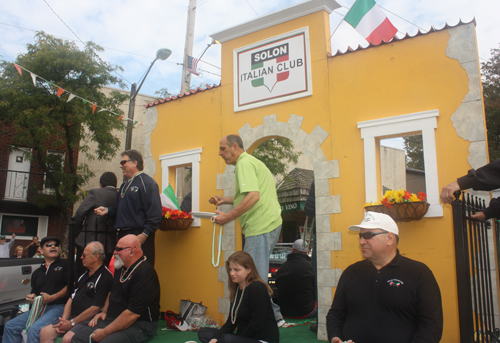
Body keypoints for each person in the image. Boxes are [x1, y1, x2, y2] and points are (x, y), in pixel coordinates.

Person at [326, 212, 443, 343]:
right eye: (360, 236)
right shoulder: (351, 272)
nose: (361, 241)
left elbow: (431, 325)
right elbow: (335, 314)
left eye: (368, 235)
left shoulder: (419, 273)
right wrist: (335, 337)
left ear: (390, 239)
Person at [209, 134, 285, 325]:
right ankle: (274, 317)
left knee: (251, 279)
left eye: (223, 149)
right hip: (269, 223)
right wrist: (224, 200)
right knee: (256, 276)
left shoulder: (243, 163)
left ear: (235, 146)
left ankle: (266, 322)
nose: (220, 153)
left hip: (260, 226)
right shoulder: (251, 162)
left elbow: (253, 196)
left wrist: (227, 216)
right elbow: (249, 195)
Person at [71, 234, 160, 343]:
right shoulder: (121, 267)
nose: (114, 253)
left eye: (118, 249)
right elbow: (112, 291)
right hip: (115, 318)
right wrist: (105, 311)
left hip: (140, 324)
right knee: (78, 337)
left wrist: (104, 332)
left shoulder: (144, 273)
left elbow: (132, 314)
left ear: (132, 251)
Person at [94, 150, 162, 266]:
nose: (121, 166)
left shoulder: (148, 183)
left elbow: (155, 212)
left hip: (139, 235)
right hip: (122, 235)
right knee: (122, 270)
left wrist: (145, 234)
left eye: (123, 162)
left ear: (135, 163)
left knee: (139, 271)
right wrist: (108, 210)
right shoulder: (124, 185)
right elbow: (122, 209)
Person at [39, 241, 113, 343]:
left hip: (88, 320)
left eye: (84, 255)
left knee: (68, 339)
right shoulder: (84, 274)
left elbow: (95, 309)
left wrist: (72, 323)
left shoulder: (105, 277)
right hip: (73, 317)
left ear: (96, 257)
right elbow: (71, 297)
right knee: (45, 332)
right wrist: (64, 320)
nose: (81, 258)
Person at [198, 251, 279, 343]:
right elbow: (231, 322)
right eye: (230, 269)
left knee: (227, 339)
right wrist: (215, 338)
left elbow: (257, 323)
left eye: (236, 270)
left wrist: (237, 339)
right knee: (204, 332)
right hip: (242, 337)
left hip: (261, 339)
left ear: (249, 270)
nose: (232, 273)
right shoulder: (236, 289)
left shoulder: (257, 287)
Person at [3, 236, 68, 343]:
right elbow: (35, 291)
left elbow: (72, 286)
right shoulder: (38, 272)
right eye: (48, 245)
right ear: (41, 251)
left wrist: (52, 298)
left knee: (34, 329)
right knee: (10, 326)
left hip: (60, 307)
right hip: (40, 308)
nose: (53, 246)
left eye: (55, 245)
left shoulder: (66, 265)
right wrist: (32, 297)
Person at [74, 172, 118, 273]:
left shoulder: (95, 193)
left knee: (82, 273)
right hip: (109, 244)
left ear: (100, 185)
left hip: (88, 240)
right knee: (102, 273)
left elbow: (80, 213)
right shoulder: (119, 196)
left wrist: (77, 232)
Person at [275, 239, 317, 319]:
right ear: (307, 252)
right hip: (307, 311)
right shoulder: (311, 267)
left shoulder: (282, 267)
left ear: (293, 249)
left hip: (284, 311)